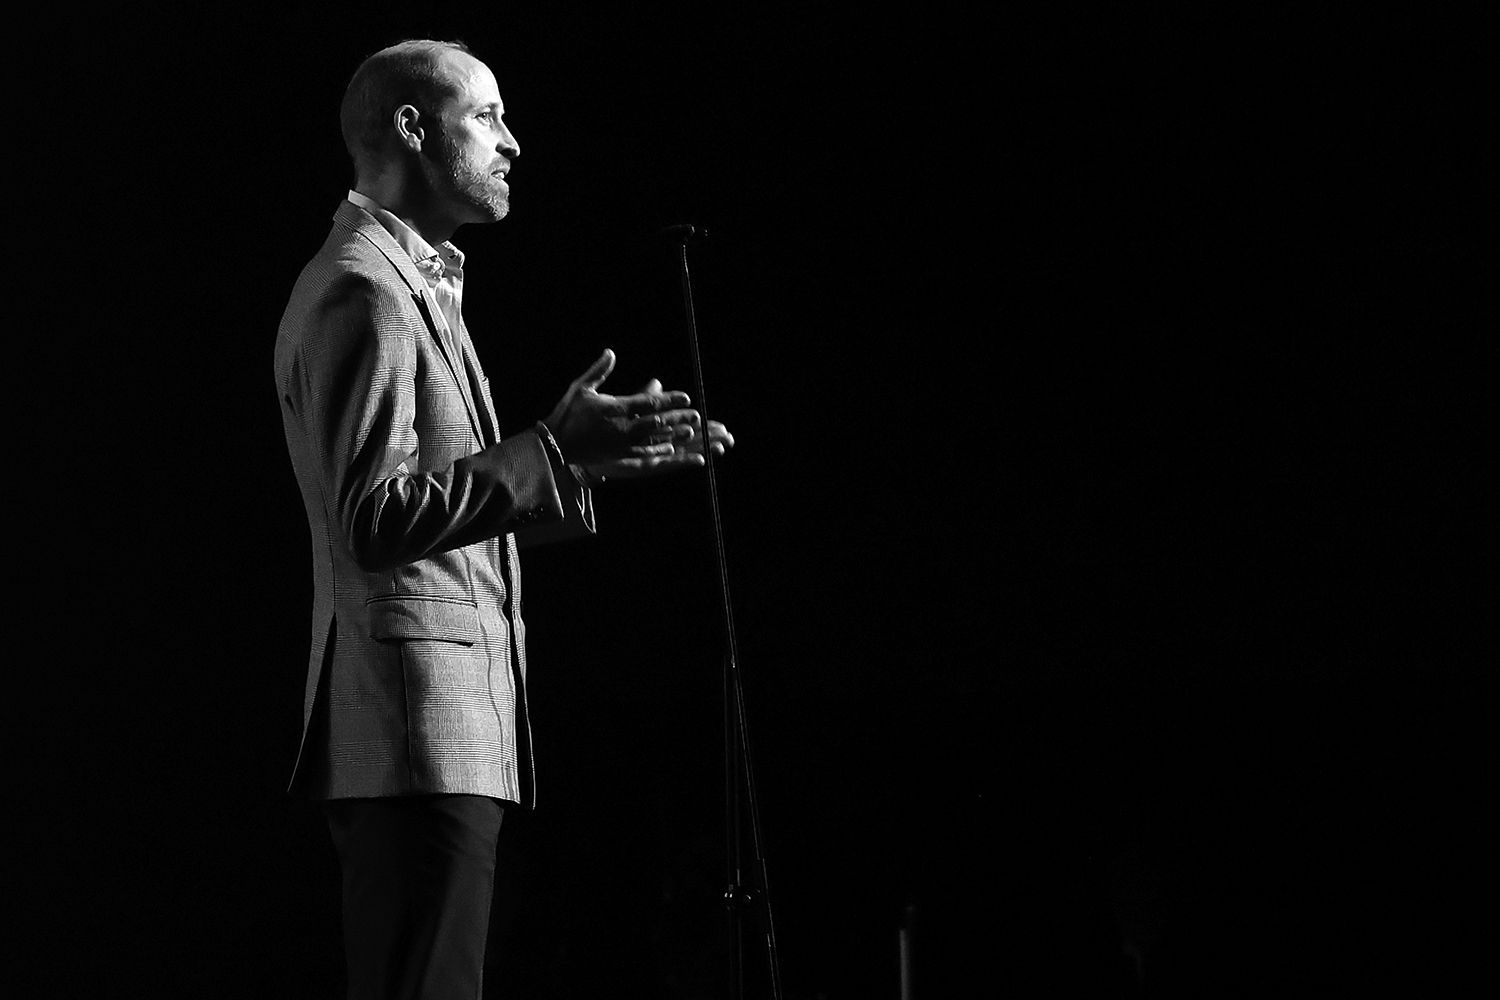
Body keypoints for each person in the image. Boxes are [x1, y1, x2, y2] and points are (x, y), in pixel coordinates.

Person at [273, 38, 733, 999]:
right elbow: (370, 520)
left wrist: (575, 467)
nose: (511, 142)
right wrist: (549, 450)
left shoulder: (412, 280)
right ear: (410, 125)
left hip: (444, 735)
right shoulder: (365, 287)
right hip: (412, 734)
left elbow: (431, 516)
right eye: (485, 117)